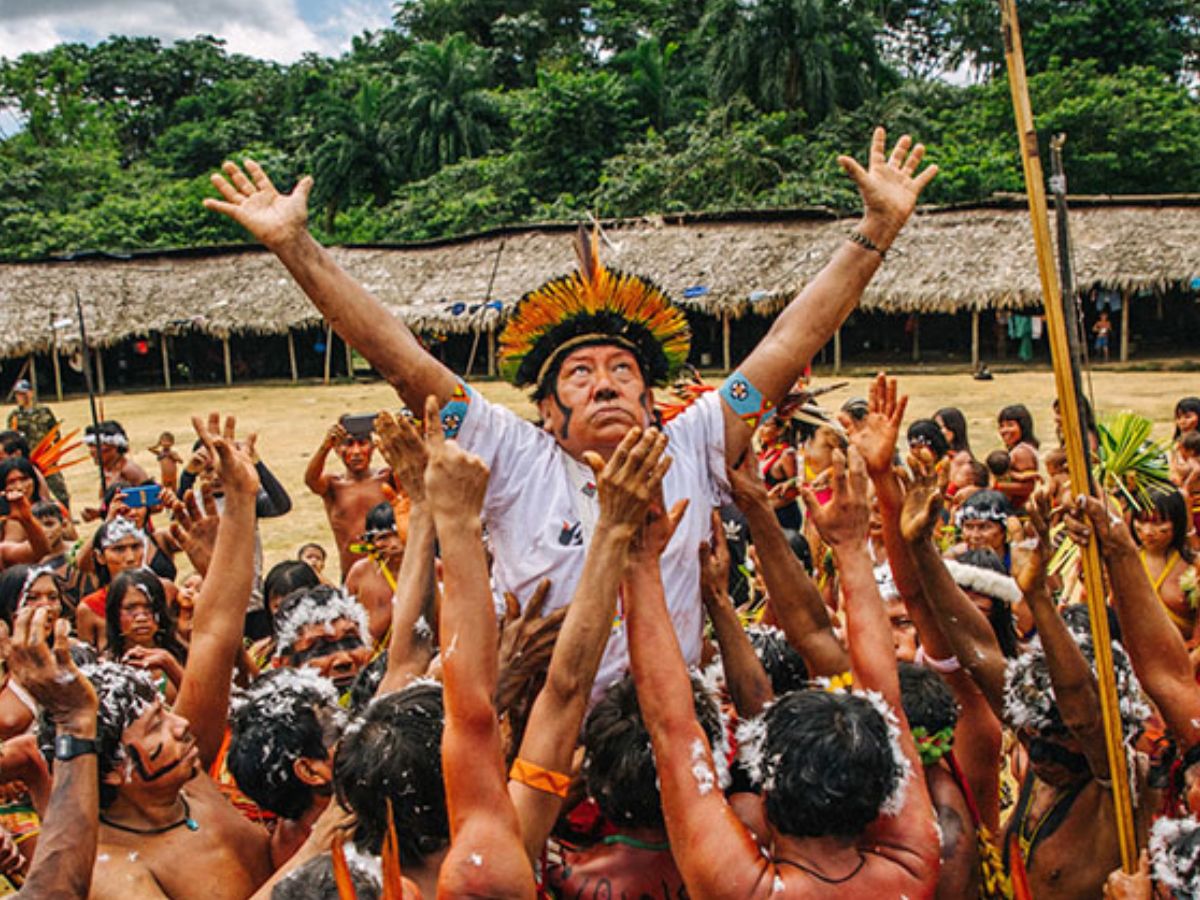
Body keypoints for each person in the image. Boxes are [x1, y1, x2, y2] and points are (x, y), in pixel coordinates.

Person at [205, 128, 937, 687]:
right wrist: (297, 246)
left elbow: (786, 344)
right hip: (544, 730)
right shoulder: (514, 454)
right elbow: (401, 358)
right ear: (546, 415)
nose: (607, 382)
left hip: (680, 730)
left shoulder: (691, 444)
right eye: (580, 374)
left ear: (654, 406)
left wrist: (876, 233)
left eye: (623, 371)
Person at [620, 446, 941, 895]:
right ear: (888, 784)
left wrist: (637, 560)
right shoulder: (914, 865)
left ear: (767, 790)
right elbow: (887, 702)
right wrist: (851, 548)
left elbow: (674, 729)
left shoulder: (745, 889)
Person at [60, 412, 274, 899]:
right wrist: (315, 849)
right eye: (156, 726)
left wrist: (240, 502)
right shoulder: (113, 872)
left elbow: (216, 635)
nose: (180, 725)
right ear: (115, 768)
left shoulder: (183, 776)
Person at [304, 421, 399, 580]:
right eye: (348, 444)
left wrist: (387, 448)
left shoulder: (387, 477)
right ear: (336, 449)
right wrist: (324, 447)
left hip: (391, 570)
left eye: (362, 444)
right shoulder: (332, 485)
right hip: (350, 575)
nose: (356, 451)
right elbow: (311, 481)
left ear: (372, 447)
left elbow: (409, 475)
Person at [343, 502, 404, 648]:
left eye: (399, 534)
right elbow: (345, 623)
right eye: (383, 538)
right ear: (370, 542)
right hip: (373, 659)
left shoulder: (433, 568)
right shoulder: (359, 573)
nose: (394, 544)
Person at [6, 379, 69, 508]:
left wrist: (57, 450)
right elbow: (11, 439)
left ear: (31, 393)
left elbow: (54, 430)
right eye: (18, 394)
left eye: (23, 393)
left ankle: (65, 514)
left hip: (46, 457)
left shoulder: (44, 411)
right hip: (27, 459)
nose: (21, 397)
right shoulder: (15, 416)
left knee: (60, 490)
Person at [82, 421, 150, 517]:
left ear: (115, 446)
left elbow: (156, 505)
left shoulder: (129, 470)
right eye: (91, 446)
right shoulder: (107, 471)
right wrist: (98, 514)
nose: (93, 451)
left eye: (98, 446)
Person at [996, 404, 1041, 509]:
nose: (1004, 430)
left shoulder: (1021, 452)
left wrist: (996, 487)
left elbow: (1028, 487)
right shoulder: (1021, 448)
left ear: (1023, 427)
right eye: (1001, 426)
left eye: (1010, 425)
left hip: (1017, 509)